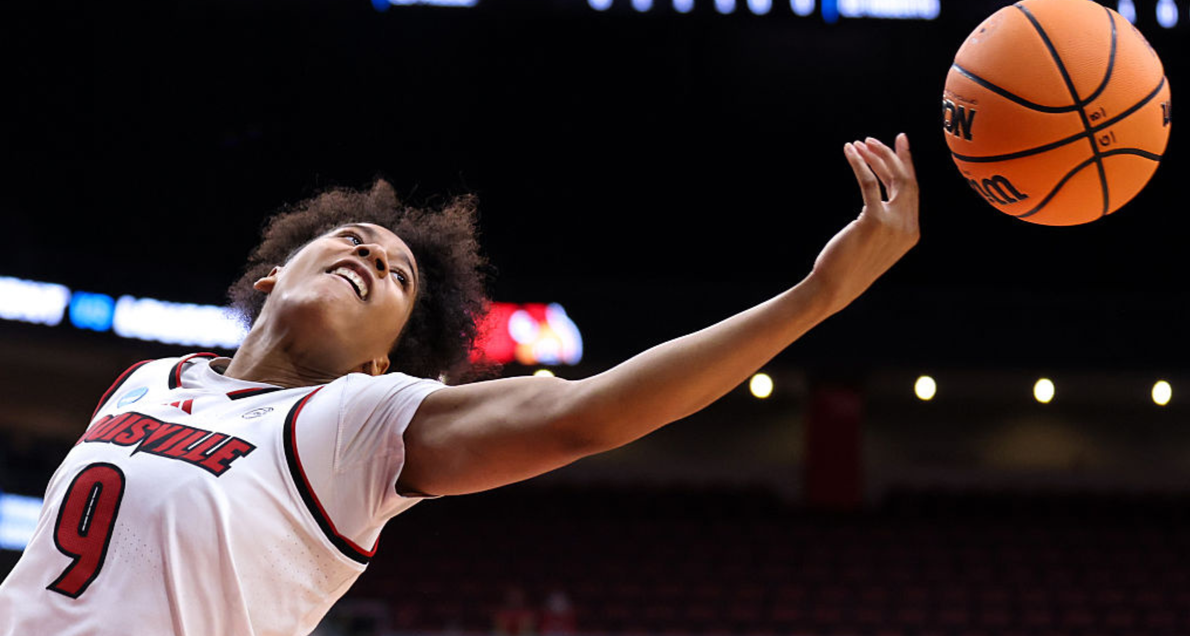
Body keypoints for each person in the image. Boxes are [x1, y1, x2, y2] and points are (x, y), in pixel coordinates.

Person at [0, 136, 919, 635]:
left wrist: (819, 294)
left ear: (381, 359)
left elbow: (583, 415)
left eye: (398, 275)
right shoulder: (149, 378)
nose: (371, 253)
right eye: (354, 240)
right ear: (276, 271)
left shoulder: (354, 424)